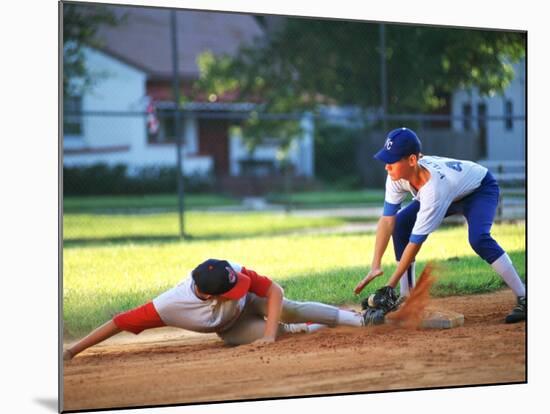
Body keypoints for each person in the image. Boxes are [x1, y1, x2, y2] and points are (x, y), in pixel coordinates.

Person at [354, 127, 526, 324]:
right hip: (450, 189)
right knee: (401, 224)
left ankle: (524, 296)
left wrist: (388, 287)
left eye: (392, 160)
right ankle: (407, 296)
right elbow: (387, 220)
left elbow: (414, 243)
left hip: (479, 190)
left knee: (478, 238)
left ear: (412, 160)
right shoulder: (397, 176)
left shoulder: (433, 191)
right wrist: (375, 265)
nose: (387, 166)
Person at [64, 258, 386, 360]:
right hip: (230, 328)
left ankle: (360, 320)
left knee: (289, 309)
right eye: (232, 288)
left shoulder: (227, 268)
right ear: (209, 295)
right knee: (271, 334)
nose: (239, 284)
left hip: (253, 306)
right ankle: (321, 326)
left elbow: (273, 290)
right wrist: (72, 351)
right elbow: (118, 322)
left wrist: (271, 333)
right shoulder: (170, 306)